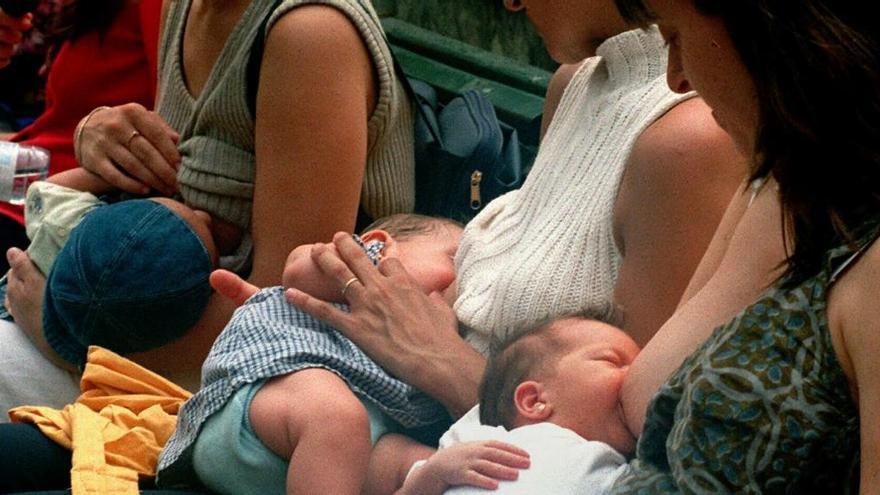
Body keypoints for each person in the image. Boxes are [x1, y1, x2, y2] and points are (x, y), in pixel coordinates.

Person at [254, 0, 746, 428]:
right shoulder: (575, 81)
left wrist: (439, 359)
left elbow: (614, 442)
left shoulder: (692, 140)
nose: (509, 3)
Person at [1, 0, 416, 416]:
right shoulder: (185, 7)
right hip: (132, 332)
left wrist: (69, 341)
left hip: (257, 393)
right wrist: (94, 134)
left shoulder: (309, 33)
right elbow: (173, 187)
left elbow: (286, 314)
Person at [596, 0, 880, 491]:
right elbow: (648, 387)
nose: (676, 78)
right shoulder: (794, 185)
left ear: (768, 31)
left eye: (675, 36)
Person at [157, 214, 460, 494]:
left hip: (348, 459)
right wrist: (354, 266)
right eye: (455, 259)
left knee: (433, 465)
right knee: (337, 417)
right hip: (260, 416)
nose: (464, 279)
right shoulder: (345, 273)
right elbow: (298, 269)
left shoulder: (447, 340)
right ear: (377, 245)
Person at [383, 312, 640, 494]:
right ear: (534, 400)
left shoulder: (626, 468)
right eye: (613, 362)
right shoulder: (477, 437)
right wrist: (434, 473)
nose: (637, 375)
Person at [0, 0, 162, 272]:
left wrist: (48, 188)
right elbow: (53, 130)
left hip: (49, 217)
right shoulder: (90, 12)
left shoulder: (157, 9)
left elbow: (179, 145)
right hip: (24, 187)